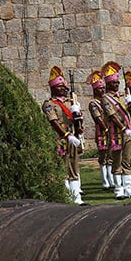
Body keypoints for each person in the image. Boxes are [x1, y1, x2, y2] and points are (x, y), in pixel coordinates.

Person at [42, 66, 85, 205]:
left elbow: (77, 121)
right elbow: (53, 121)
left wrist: (77, 113)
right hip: (59, 138)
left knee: (74, 165)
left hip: (72, 136)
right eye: (59, 86)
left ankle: (77, 197)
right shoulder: (49, 104)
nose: (63, 89)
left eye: (63, 86)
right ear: (53, 88)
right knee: (62, 166)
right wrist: (66, 135)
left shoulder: (70, 102)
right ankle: (65, 196)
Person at [101, 62, 131, 199]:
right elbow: (112, 115)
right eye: (113, 83)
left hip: (128, 132)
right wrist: (124, 129)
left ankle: (128, 188)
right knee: (117, 161)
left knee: (126, 160)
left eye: (117, 82)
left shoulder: (123, 97)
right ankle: (118, 189)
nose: (116, 84)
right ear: (107, 84)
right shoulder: (106, 98)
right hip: (116, 133)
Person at [85, 69, 113, 190]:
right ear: (95, 90)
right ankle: (105, 180)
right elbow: (98, 118)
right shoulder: (93, 103)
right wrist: (106, 129)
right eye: (100, 88)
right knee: (103, 157)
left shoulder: (107, 100)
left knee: (110, 155)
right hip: (102, 131)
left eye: (103, 88)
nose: (103, 90)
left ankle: (111, 179)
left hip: (111, 130)